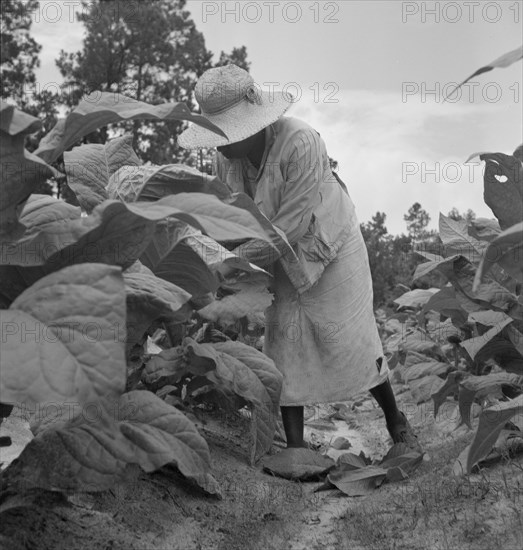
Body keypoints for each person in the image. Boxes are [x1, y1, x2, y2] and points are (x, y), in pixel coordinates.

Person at [179, 64, 420, 452]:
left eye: (226, 135)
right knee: (283, 341)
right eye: (215, 135)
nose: (219, 145)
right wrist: (208, 260)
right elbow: (229, 218)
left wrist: (227, 264)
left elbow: (288, 228)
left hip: (330, 245)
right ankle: (296, 449)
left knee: (351, 337)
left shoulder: (301, 142)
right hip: (272, 254)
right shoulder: (225, 159)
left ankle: (396, 422)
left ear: (254, 126)